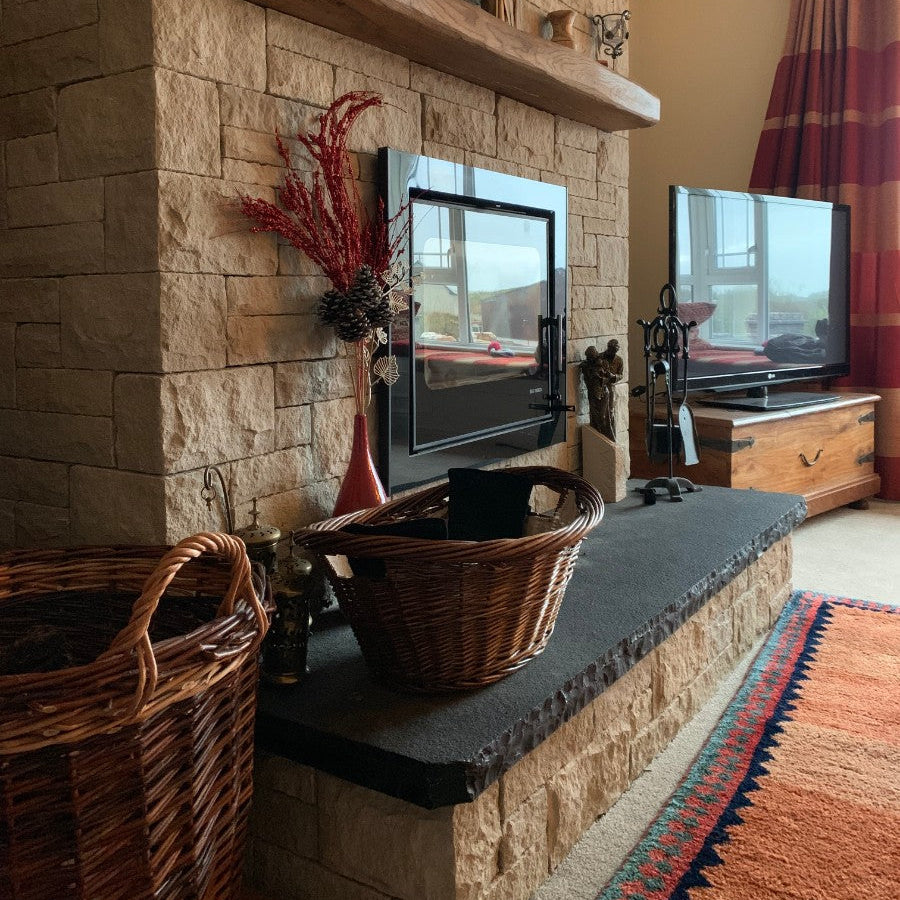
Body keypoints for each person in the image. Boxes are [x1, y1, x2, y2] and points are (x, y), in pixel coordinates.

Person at [580, 339, 623, 440]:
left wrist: (613, 376)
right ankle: (598, 434)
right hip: (599, 388)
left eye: (614, 350)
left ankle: (610, 437)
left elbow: (621, 375)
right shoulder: (600, 357)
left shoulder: (619, 360)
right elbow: (589, 363)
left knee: (610, 412)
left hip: (609, 388)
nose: (611, 352)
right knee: (597, 413)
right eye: (610, 349)